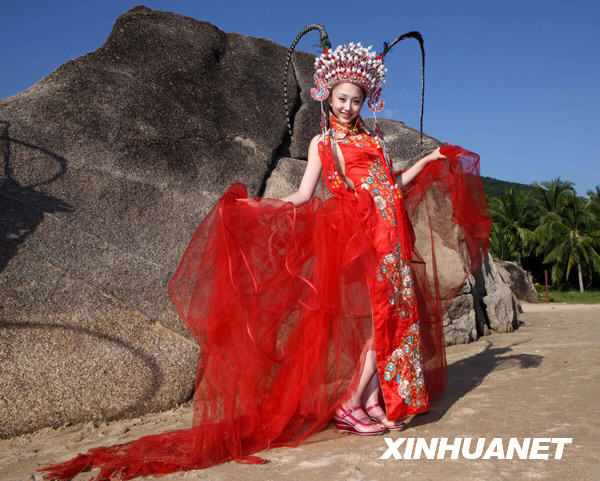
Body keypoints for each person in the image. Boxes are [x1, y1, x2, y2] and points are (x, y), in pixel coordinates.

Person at [38, 29, 491, 481]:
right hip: (362, 239)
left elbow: (391, 185)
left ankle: (370, 399)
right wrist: (259, 205)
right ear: (327, 97)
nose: (349, 107)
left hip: (392, 239)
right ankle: (352, 402)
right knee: (381, 319)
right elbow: (302, 195)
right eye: (343, 98)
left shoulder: (373, 143)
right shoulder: (324, 144)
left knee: (391, 319)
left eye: (357, 99)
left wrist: (430, 160)